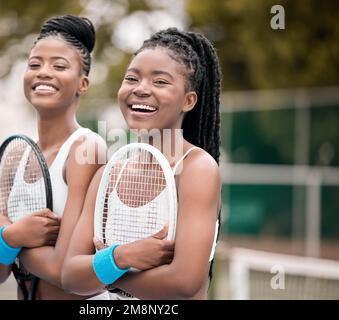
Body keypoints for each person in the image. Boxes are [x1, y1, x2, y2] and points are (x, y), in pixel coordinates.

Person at [61, 27, 222, 299]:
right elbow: (71, 275)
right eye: (132, 78)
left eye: (160, 82)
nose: (141, 89)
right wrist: (123, 256)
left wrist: (106, 273)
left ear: (188, 100)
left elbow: (184, 282)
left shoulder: (197, 169)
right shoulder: (107, 175)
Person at [0, 15, 108, 300]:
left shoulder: (86, 150)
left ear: (82, 84)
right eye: (34, 64)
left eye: (59, 66)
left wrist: (8, 238)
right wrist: (13, 236)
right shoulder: (16, 157)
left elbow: (67, 271)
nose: (43, 72)